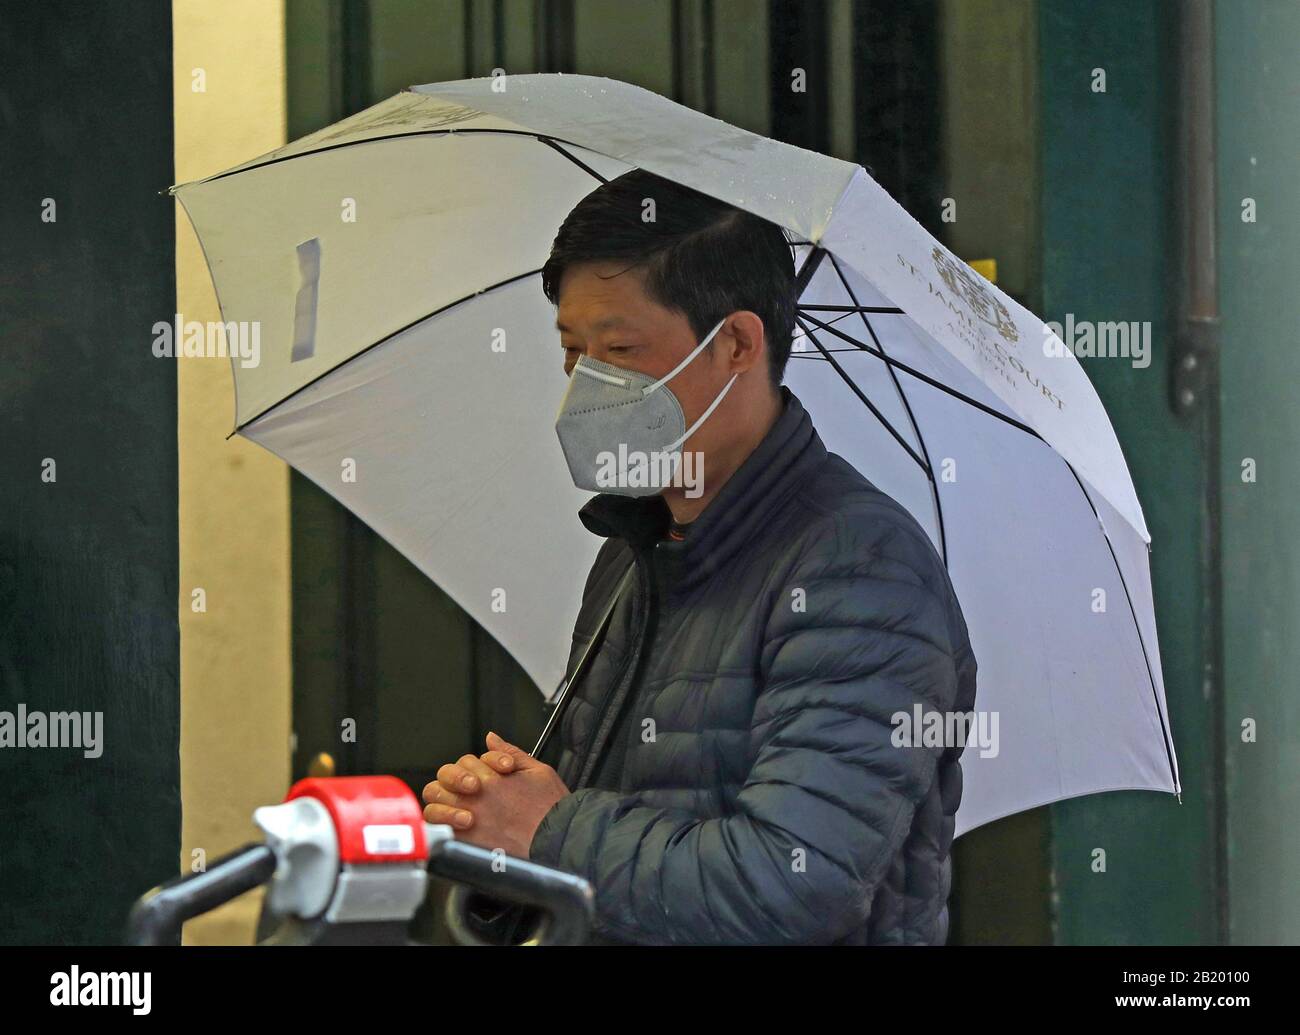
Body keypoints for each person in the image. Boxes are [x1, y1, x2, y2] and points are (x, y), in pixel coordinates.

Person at [422, 168, 977, 945]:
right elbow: (603, 852)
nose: (586, 386)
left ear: (738, 344)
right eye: (573, 350)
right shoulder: (638, 548)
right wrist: (496, 839)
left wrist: (549, 830)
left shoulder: (858, 571)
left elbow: (791, 882)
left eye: (619, 349)